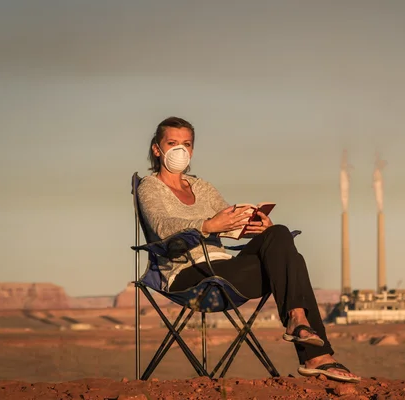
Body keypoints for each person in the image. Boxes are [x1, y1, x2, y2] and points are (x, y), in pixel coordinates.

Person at [137, 116, 361, 383]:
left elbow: (229, 224)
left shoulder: (202, 187)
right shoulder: (150, 187)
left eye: (186, 144)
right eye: (172, 143)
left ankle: (298, 321)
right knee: (292, 262)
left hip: (224, 267)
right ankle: (316, 355)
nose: (179, 150)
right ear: (156, 148)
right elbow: (163, 226)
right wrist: (207, 225)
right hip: (188, 275)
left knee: (276, 233)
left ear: (192, 150)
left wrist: (252, 225)